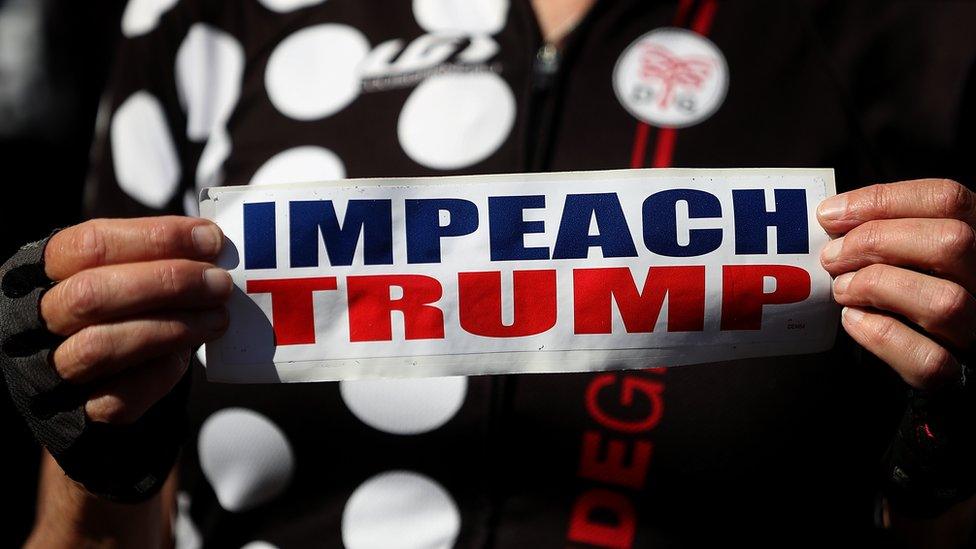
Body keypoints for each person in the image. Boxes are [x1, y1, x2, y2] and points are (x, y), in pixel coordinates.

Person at [3, 0, 976, 547]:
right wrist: (96, 454)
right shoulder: (202, 20)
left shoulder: (898, 30)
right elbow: (91, 528)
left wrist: (948, 458)